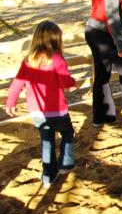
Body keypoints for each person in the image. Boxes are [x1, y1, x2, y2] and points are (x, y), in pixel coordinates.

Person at [6, 21, 77, 188]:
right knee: (67, 132)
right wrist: (72, 82)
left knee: (47, 141)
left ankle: (48, 176)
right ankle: (66, 164)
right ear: (55, 40)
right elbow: (64, 80)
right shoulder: (56, 58)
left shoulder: (28, 60)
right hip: (57, 110)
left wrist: (10, 101)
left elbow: (17, 83)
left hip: (37, 112)